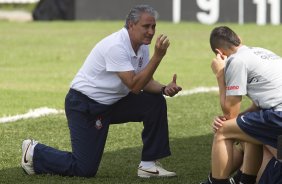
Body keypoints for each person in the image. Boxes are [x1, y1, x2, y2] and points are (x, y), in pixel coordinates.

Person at [21, 4, 182, 178]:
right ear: (131, 25)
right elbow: (135, 86)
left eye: (153, 27)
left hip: (112, 103)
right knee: (84, 169)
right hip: (84, 105)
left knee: (154, 101)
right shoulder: (116, 46)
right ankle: (34, 152)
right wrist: (157, 57)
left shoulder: (142, 45)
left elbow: (145, 81)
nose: (151, 31)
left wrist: (164, 88)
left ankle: (148, 165)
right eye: (146, 26)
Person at [201, 26, 282, 184]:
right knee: (250, 128)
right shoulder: (260, 52)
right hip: (276, 115)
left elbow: (230, 113)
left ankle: (217, 182)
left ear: (219, 53)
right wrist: (239, 118)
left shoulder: (236, 60)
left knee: (223, 131)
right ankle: (244, 180)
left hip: (278, 115)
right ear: (239, 39)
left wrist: (220, 75)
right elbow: (257, 106)